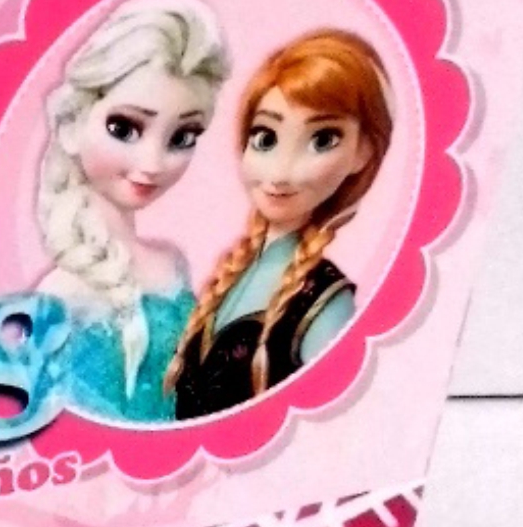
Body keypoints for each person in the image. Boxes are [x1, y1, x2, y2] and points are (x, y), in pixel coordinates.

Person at [167, 29, 392, 419]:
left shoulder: (325, 301)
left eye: (323, 139)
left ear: (363, 152)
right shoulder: (233, 272)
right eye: (266, 138)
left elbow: (331, 424)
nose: (282, 172)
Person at [35, 0, 230, 422]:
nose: (153, 163)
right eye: (123, 128)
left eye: (182, 137)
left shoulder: (172, 263)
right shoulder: (62, 294)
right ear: (71, 125)